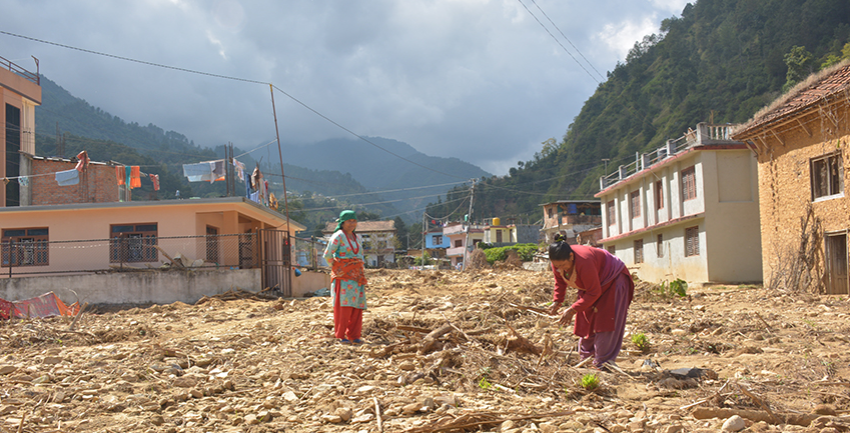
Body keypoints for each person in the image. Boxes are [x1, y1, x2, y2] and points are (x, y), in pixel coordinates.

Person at [547, 234, 634, 370]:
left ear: (571, 256)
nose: (561, 269)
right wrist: (557, 302)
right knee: (586, 320)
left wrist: (572, 310)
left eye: (564, 265)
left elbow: (594, 292)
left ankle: (603, 364)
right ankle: (586, 360)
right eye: (557, 266)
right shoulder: (558, 263)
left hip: (613, 281)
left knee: (606, 321)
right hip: (592, 285)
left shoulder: (584, 261)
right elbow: (560, 281)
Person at [323, 210, 368, 344]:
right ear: (342, 223)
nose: (352, 224)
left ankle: (354, 335)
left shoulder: (357, 237)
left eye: (354, 221)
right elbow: (327, 255)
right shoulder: (338, 236)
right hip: (343, 277)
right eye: (349, 221)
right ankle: (340, 335)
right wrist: (338, 268)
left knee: (357, 306)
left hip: (357, 276)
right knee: (344, 306)